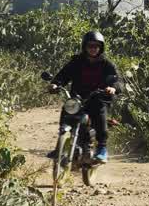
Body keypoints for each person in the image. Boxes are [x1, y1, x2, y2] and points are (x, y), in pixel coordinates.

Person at [46, 30, 118, 163]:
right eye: (90, 46)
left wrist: (113, 88)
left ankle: (102, 149)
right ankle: (59, 146)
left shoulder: (107, 64)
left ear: (101, 48)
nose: (93, 49)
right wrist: (55, 84)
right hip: (78, 97)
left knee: (99, 112)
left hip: (98, 98)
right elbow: (63, 75)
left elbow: (116, 80)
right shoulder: (76, 61)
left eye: (96, 46)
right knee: (67, 109)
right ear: (85, 46)